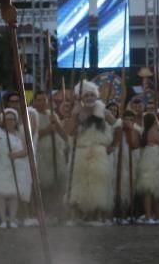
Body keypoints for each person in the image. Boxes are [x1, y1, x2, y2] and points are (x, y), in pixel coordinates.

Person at [65, 81, 113, 225]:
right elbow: (69, 131)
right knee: (78, 185)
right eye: (87, 95)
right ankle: (77, 215)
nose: (90, 97)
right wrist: (74, 116)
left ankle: (95, 216)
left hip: (98, 153)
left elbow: (118, 125)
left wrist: (113, 146)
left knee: (98, 185)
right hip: (80, 152)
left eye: (92, 94)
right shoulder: (76, 112)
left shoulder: (103, 111)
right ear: (81, 97)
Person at [0, 108, 31, 229]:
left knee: (14, 194)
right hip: (0, 166)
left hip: (16, 167)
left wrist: (16, 155)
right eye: (7, 119)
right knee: (1, 194)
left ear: (16, 121)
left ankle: (12, 219)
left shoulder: (21, 134)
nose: (9, 122)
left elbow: (27, 150)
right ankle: (3, 220)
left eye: (12, 119)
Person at [137, 110, 159, 224]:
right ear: (153, 121)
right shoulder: (152, 132)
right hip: (152, 162)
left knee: (153, 190)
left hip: (150, 161)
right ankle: (148, 216)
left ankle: (157, 215)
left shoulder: (147, 131)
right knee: (149, 189)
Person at [33, 91, 66, 205]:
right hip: (40, 154)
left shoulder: (52, 114)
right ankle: (39, 209)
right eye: (39, 100)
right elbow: (31, 136)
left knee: (56, 182)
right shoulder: (31, 115)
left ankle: (54, 210)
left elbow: (63, 133)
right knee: (41, 182)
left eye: (44, 99)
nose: (42, 102)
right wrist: (47, 129)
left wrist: (56, 122)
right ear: (35, 102)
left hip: (55, 154)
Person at [112, 109, 141, 222]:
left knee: (128, 188)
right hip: (117, 160)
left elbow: (134, 145)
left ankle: (126, 214)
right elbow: (114, 143)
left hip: (130, 162)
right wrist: (120, 131)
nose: (128, 121)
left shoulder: (137, 130)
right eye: (126, 119)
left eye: (131, 119)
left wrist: (130, 130)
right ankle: (115, 214)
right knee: (115, 185)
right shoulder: (117, 129)